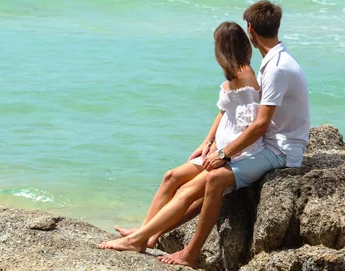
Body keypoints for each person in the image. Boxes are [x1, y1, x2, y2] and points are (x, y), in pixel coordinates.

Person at [159, 0, 310, 267]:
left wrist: (223, 154)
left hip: (281, 152)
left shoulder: (275, 69)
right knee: (187, 179)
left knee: (214, 180)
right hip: (269, 143)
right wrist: (212, 143)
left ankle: (190, 252)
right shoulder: (274, 62)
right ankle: (152, 234)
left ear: (250, 29)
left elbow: (260, 125)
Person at [98, 21, 263, 253]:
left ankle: (138, 240)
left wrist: (223, 154)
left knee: (187, 192)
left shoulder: (246, 77)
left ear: (223, 48)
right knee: (171, 176)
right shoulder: (234, 73)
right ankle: (146, 232)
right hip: (219, 147)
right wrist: (207, 141)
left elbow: (250, 126)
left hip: (235, 154)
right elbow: (224, 113)